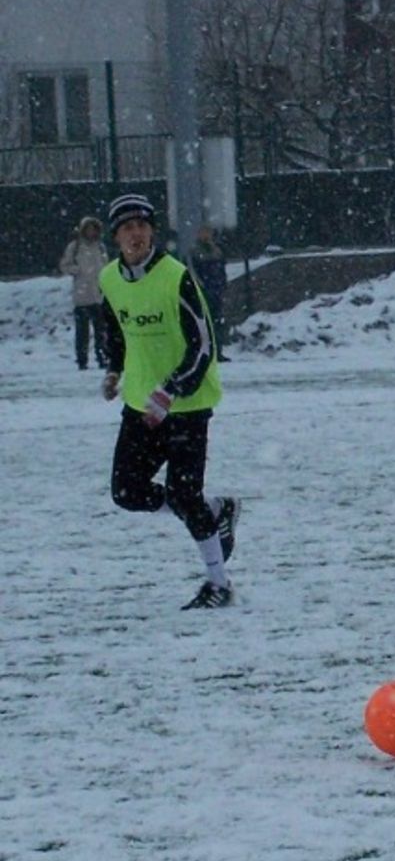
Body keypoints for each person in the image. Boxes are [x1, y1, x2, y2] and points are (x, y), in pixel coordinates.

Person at [98, 194, 240, 610]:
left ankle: (219, 584)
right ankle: (216, 510)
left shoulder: (175, 276)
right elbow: (115, 327)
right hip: (142, 405)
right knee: (126, 491)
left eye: (142, 226)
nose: (136, 234)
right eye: (127, 228)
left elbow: (203, 343)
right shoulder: (109, 278)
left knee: (183, 492)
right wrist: (113, 369)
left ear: (152, 232)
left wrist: (172, 390)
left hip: (188, 403)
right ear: (116, 237)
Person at [59, 216, 110, 370]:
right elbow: (65, 265)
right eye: (88, 229)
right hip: (82, 297)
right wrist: (77, 271)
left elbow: (105, 267)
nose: (91, 232)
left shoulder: (100, 247)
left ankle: (103, 357)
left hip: (98, 296)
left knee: (101, 331)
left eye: (93, 229)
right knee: (82, 333)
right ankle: (82, 360)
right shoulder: (74, 247)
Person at [189, 226, 231, 361]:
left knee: (216, 322)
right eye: (203, 232)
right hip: (204, 292)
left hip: (216, 291)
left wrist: (223, 285)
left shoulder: (217, 251)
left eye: (208, 232)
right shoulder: (195, 252)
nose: (206, 235)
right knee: (204, 323)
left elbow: (221, 270)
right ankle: (206, 352)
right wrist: (201, 287)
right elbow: (193, 272)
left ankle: (217, 351)